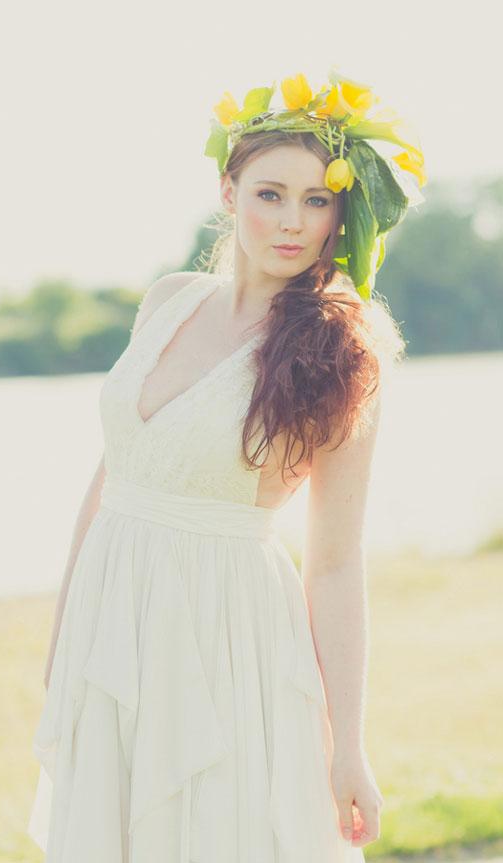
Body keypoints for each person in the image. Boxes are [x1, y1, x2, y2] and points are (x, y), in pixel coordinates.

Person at [27, 69, 426, 862]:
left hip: (228, 632)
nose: (292, 221)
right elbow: (112, 476)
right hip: (115, 618)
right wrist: (68, 628)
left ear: (340, 214)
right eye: (270, 194)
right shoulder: (166, 300)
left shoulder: (341, 350)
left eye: (317, 201)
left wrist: (347, 742)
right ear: (227, 190)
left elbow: (337, 563)